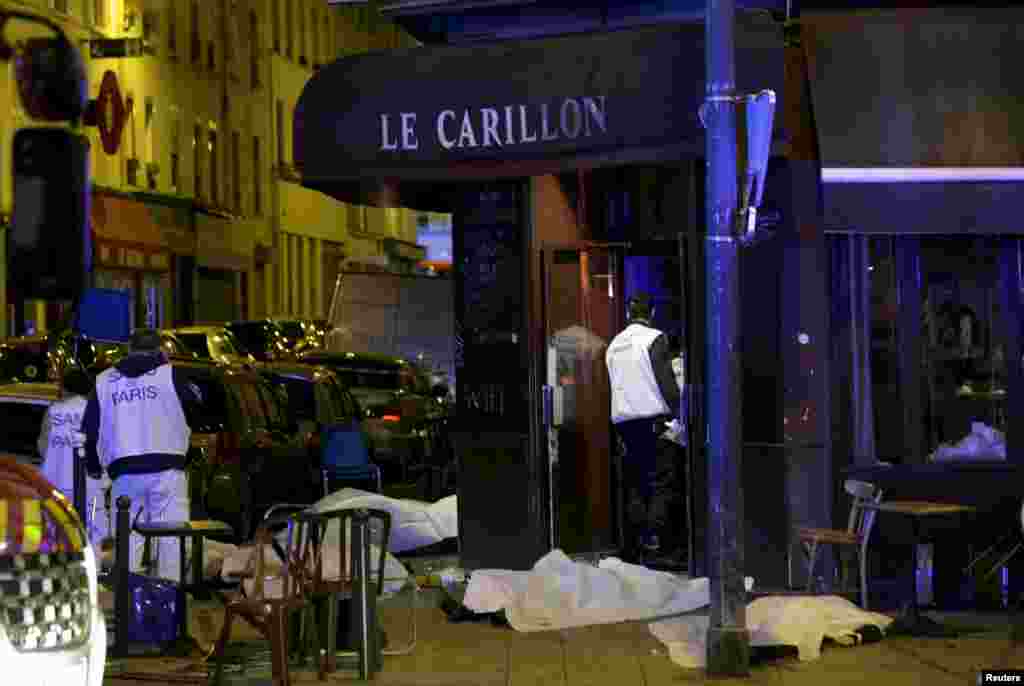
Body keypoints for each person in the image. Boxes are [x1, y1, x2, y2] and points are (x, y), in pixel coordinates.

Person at [81, 328, 202, 582]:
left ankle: (127, 606)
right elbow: (196, 409)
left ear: (129, 350)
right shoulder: (172, 375)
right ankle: (169, 603)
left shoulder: (104, 381)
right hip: (168, 472)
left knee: (126, 544)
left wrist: (93, 467)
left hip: (124, 475)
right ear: (160, 350)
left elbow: (90, 431)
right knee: (171, 542)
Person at [605, 294, 680, 564]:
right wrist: (681, 411)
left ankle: (633, 547)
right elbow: (666, 383)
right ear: (653, 311)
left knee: (635, 485)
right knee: (662, 483)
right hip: (654, 422)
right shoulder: (654, 339)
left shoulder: (614, 345)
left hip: (625, 425)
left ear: (628, 313)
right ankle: (656, 543)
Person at [37, 367, 111, 543]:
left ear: (64, 388)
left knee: (58, 535)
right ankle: (92, 569)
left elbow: (43, 447)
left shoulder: (53, 411)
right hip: (91, 488)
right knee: (93, 534)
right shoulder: (97, 411)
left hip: (56, 486)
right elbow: (106, 450)